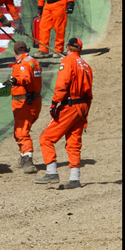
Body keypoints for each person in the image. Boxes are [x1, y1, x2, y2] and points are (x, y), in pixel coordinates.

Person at [35, 38, 93, 189]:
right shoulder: (86, 66)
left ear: (68, 47)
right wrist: (85, 115)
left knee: (46, 138)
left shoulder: (68, 61)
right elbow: (89, 95)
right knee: (74, 144)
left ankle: (52, 172)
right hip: (82, 108)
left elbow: (63, 83)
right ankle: (75, 179)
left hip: (70, 106)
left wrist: (54, 103)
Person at [3, 40, 42, 173]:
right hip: (34, 101)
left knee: (22, 131)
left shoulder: (23, 64)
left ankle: (28, 161)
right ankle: (23, 156)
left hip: (24, 102)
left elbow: (25, 78)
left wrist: (14, 80)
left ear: (15, 52)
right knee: (20, 130)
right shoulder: (33, 61)